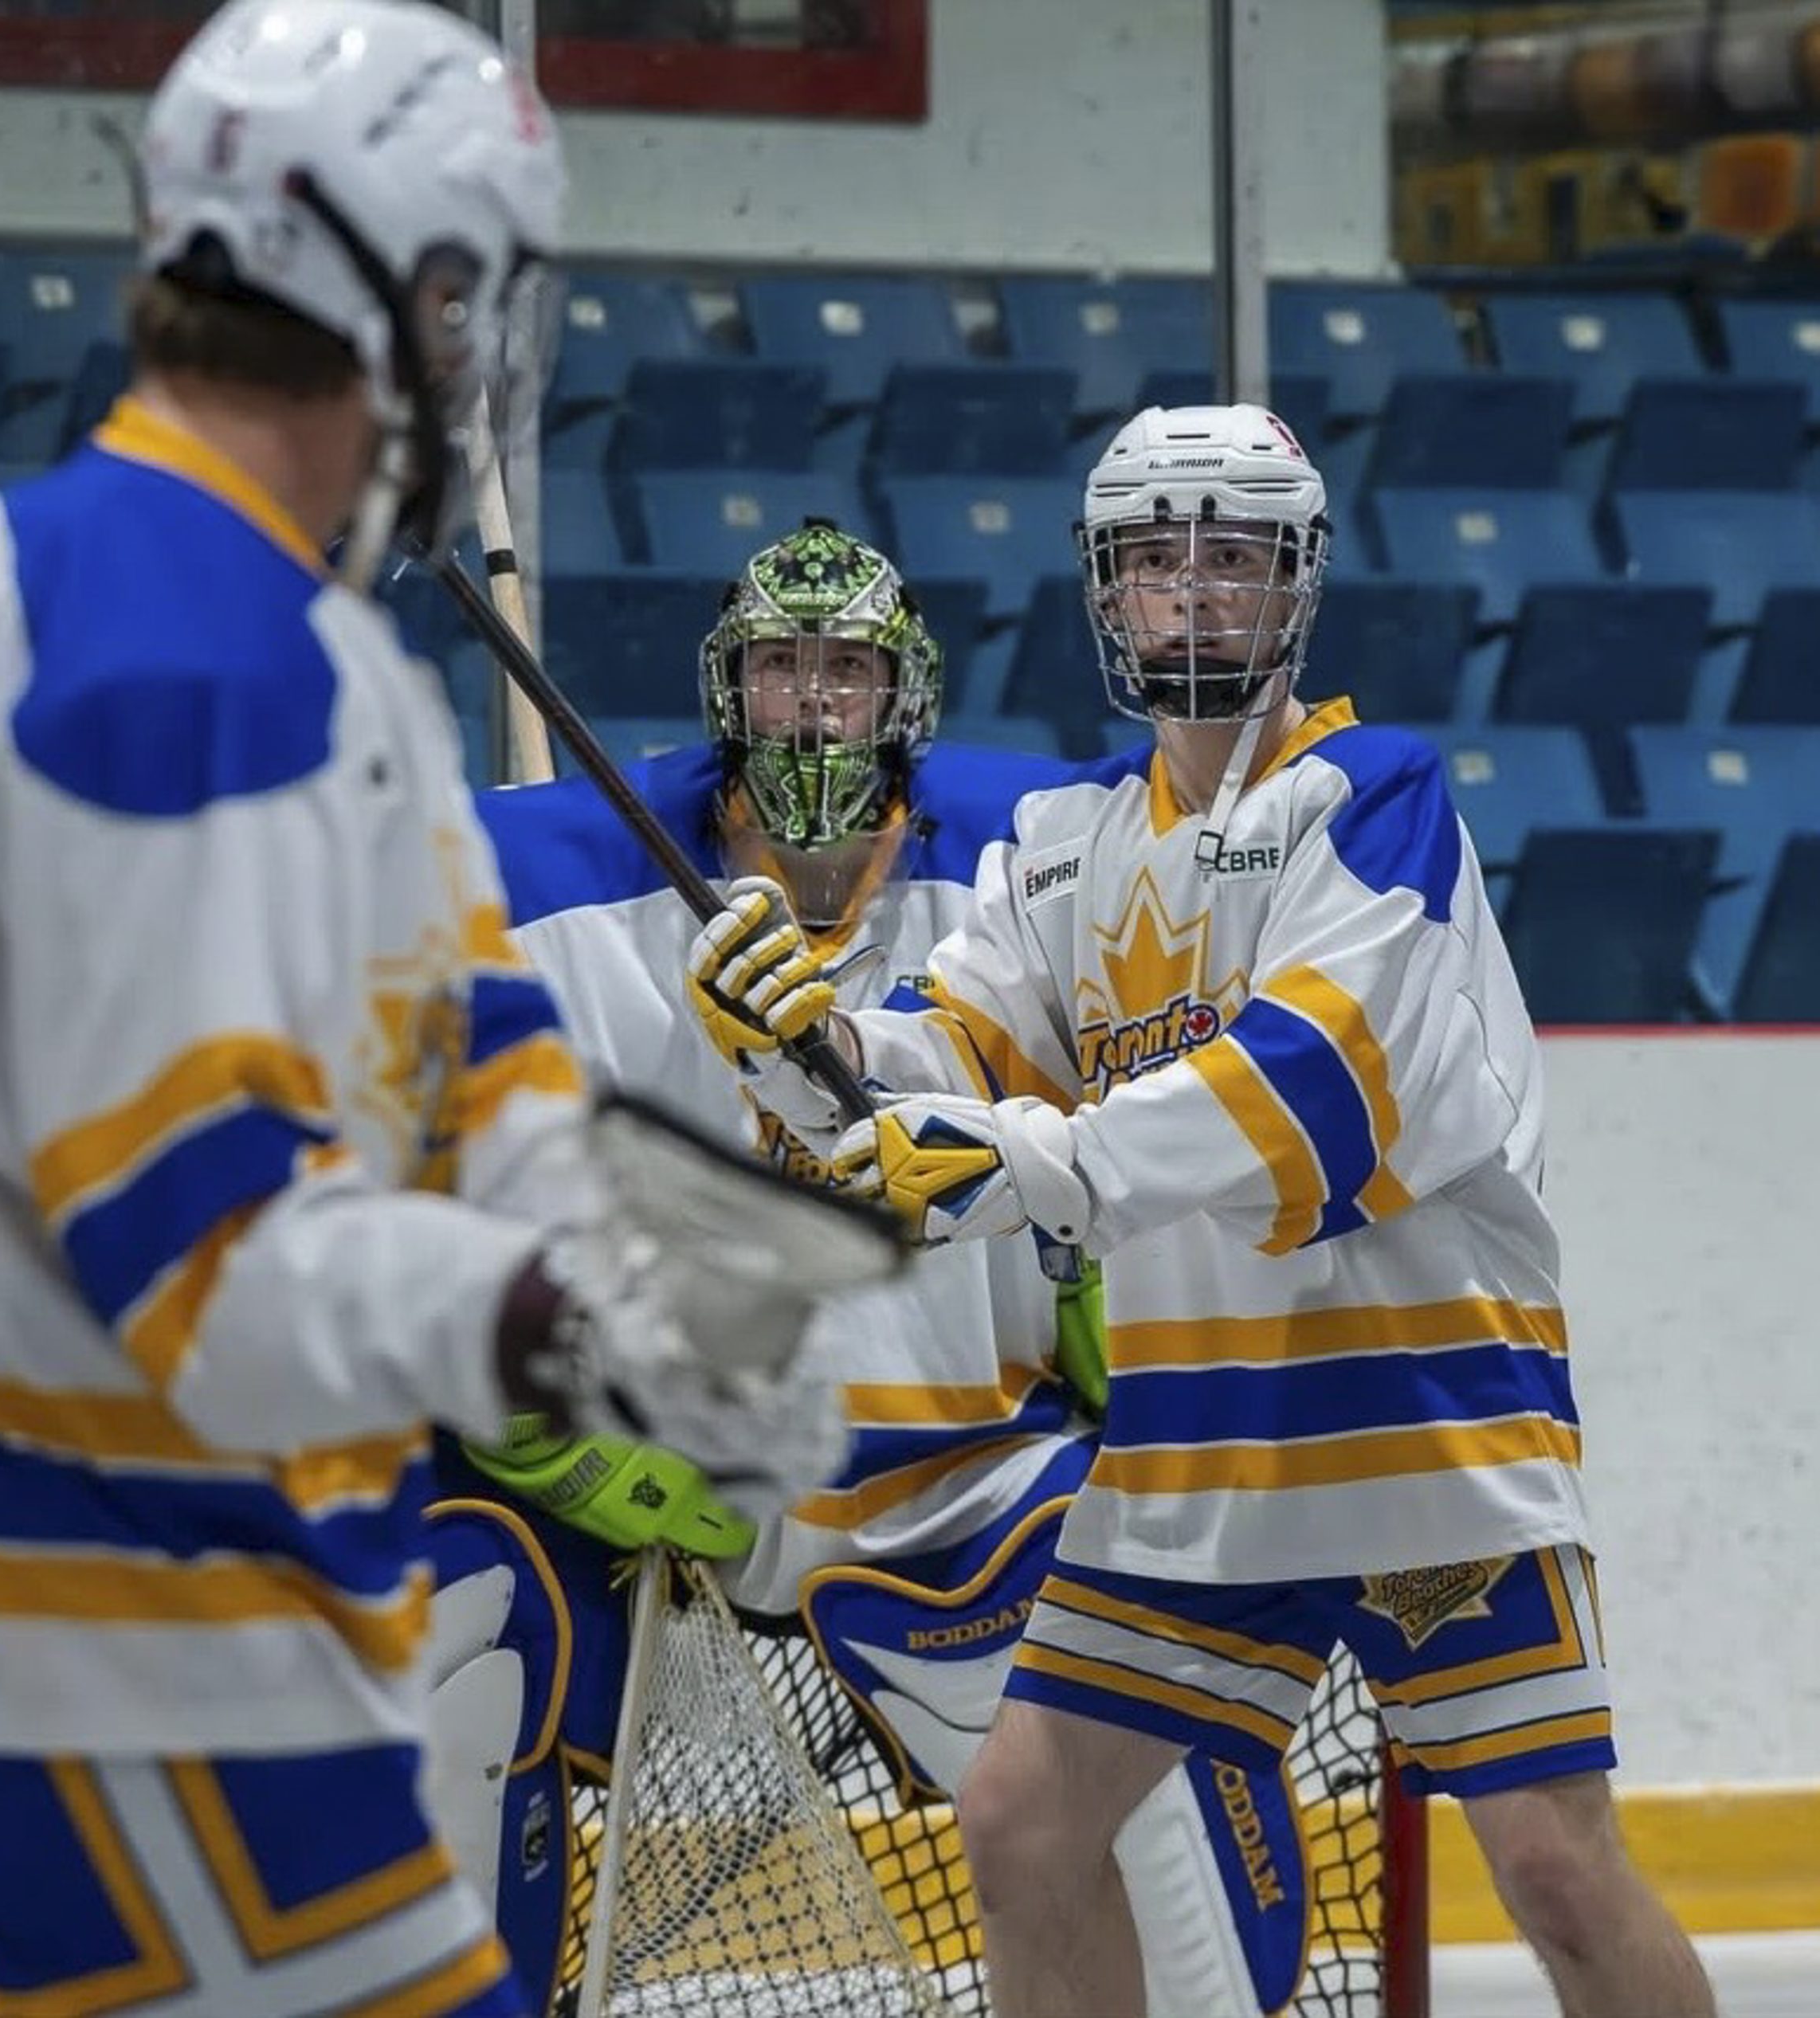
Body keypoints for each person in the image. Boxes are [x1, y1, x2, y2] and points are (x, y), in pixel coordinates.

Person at [0, 10, 893, 2016]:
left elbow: (469, 1046)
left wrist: (663, 1257)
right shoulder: (158, 648)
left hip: (156, 1544)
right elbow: (191, 1244)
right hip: (74, 1559)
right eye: (478, 305)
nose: (479, 362)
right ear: (419, 292)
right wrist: (564, 1327)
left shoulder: (272, 626)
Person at [684, 409, 1719, 2018]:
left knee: (1553, 1868)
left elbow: (1309, 1087)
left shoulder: (1370, 794)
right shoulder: (1064, 848)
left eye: (1231, 555)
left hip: (1422, 1411)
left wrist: (1024, 1162)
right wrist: (803, 1042)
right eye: (1153, 560)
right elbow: (949, 1050)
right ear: (1105, 591)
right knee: (1023, 1820)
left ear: (1295, 583)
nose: (1191, 591)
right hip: (1197, 1435)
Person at [422, 520, 1316, 2018]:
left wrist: (1130, 1307)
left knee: (1144, 1740)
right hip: (637, 1482)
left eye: (848, 670)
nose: (816, 703)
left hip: (966, 1479)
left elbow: (1176, 1101)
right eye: (783, 668)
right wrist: (547, 1434)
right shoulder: (540, 886)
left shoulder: (1044, 859)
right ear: (732, 688)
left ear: (906, 695)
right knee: (436, 1641)